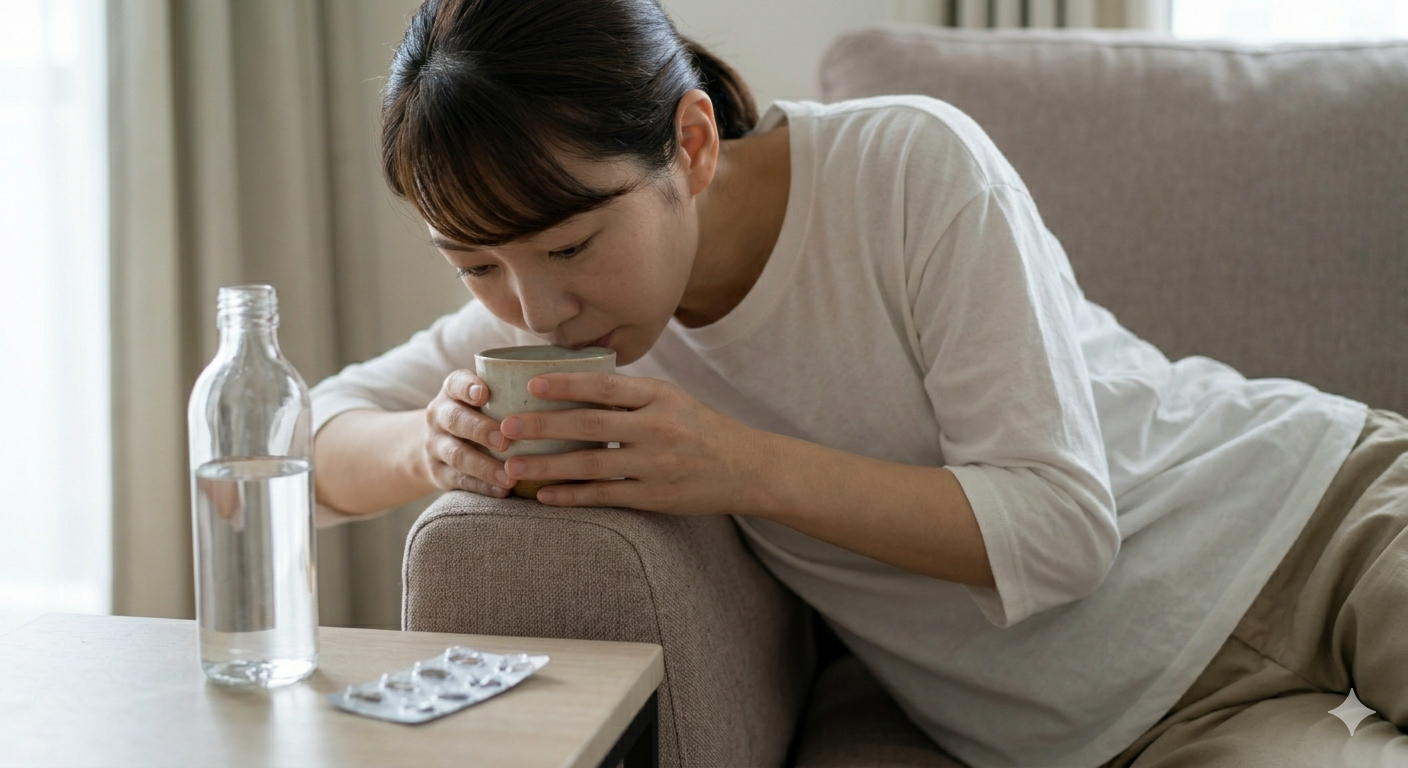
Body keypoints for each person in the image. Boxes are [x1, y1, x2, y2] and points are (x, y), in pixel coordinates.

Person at [310, 0, 1408, 765]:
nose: (538, 311)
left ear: (690, 144)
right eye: (475, 266)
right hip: (1137, 729)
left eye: (573, 247)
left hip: (1320, 519)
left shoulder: (907, 168)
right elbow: (302, 436)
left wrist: (737, 467)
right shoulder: (557, 310)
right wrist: (429, 446)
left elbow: (1066, 528)